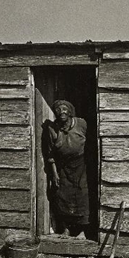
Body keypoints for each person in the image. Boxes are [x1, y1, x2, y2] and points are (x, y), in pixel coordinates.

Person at [44, 100, 90, 238]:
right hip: (62, 167)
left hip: (81, 165)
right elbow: (50, 154)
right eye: (58, 109)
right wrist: (54, 173)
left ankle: (82, 231)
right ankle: (66, 229)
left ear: (70, 112)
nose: (61, 112)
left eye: (65, 109)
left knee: (82, 197)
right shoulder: (52, 130)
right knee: (62, 196)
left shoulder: (81, 124)